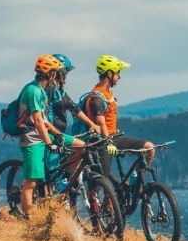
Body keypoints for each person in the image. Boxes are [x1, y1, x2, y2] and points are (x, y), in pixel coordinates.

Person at [16, 55, 84, 220]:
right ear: (51, 74)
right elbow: (38, 120)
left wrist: (58, 135)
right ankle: (27, 218)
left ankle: (65, 178)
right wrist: (49, 142)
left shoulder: (41, 91)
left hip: (45, 134)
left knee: (81, 147)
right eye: (57, 72)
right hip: (32, 139)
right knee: (30, 183)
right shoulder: (32, 90)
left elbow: (45, 121)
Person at [83, 55, 154, 165]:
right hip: (102, 142)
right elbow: (100, 122)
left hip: (112, 137)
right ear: (109, 74)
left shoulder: (108, 93)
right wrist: (108, 143)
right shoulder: (97, 97)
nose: (119, 77)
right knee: (102, 179)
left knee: (149, 148)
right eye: (117, 73)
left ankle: (134, 182)